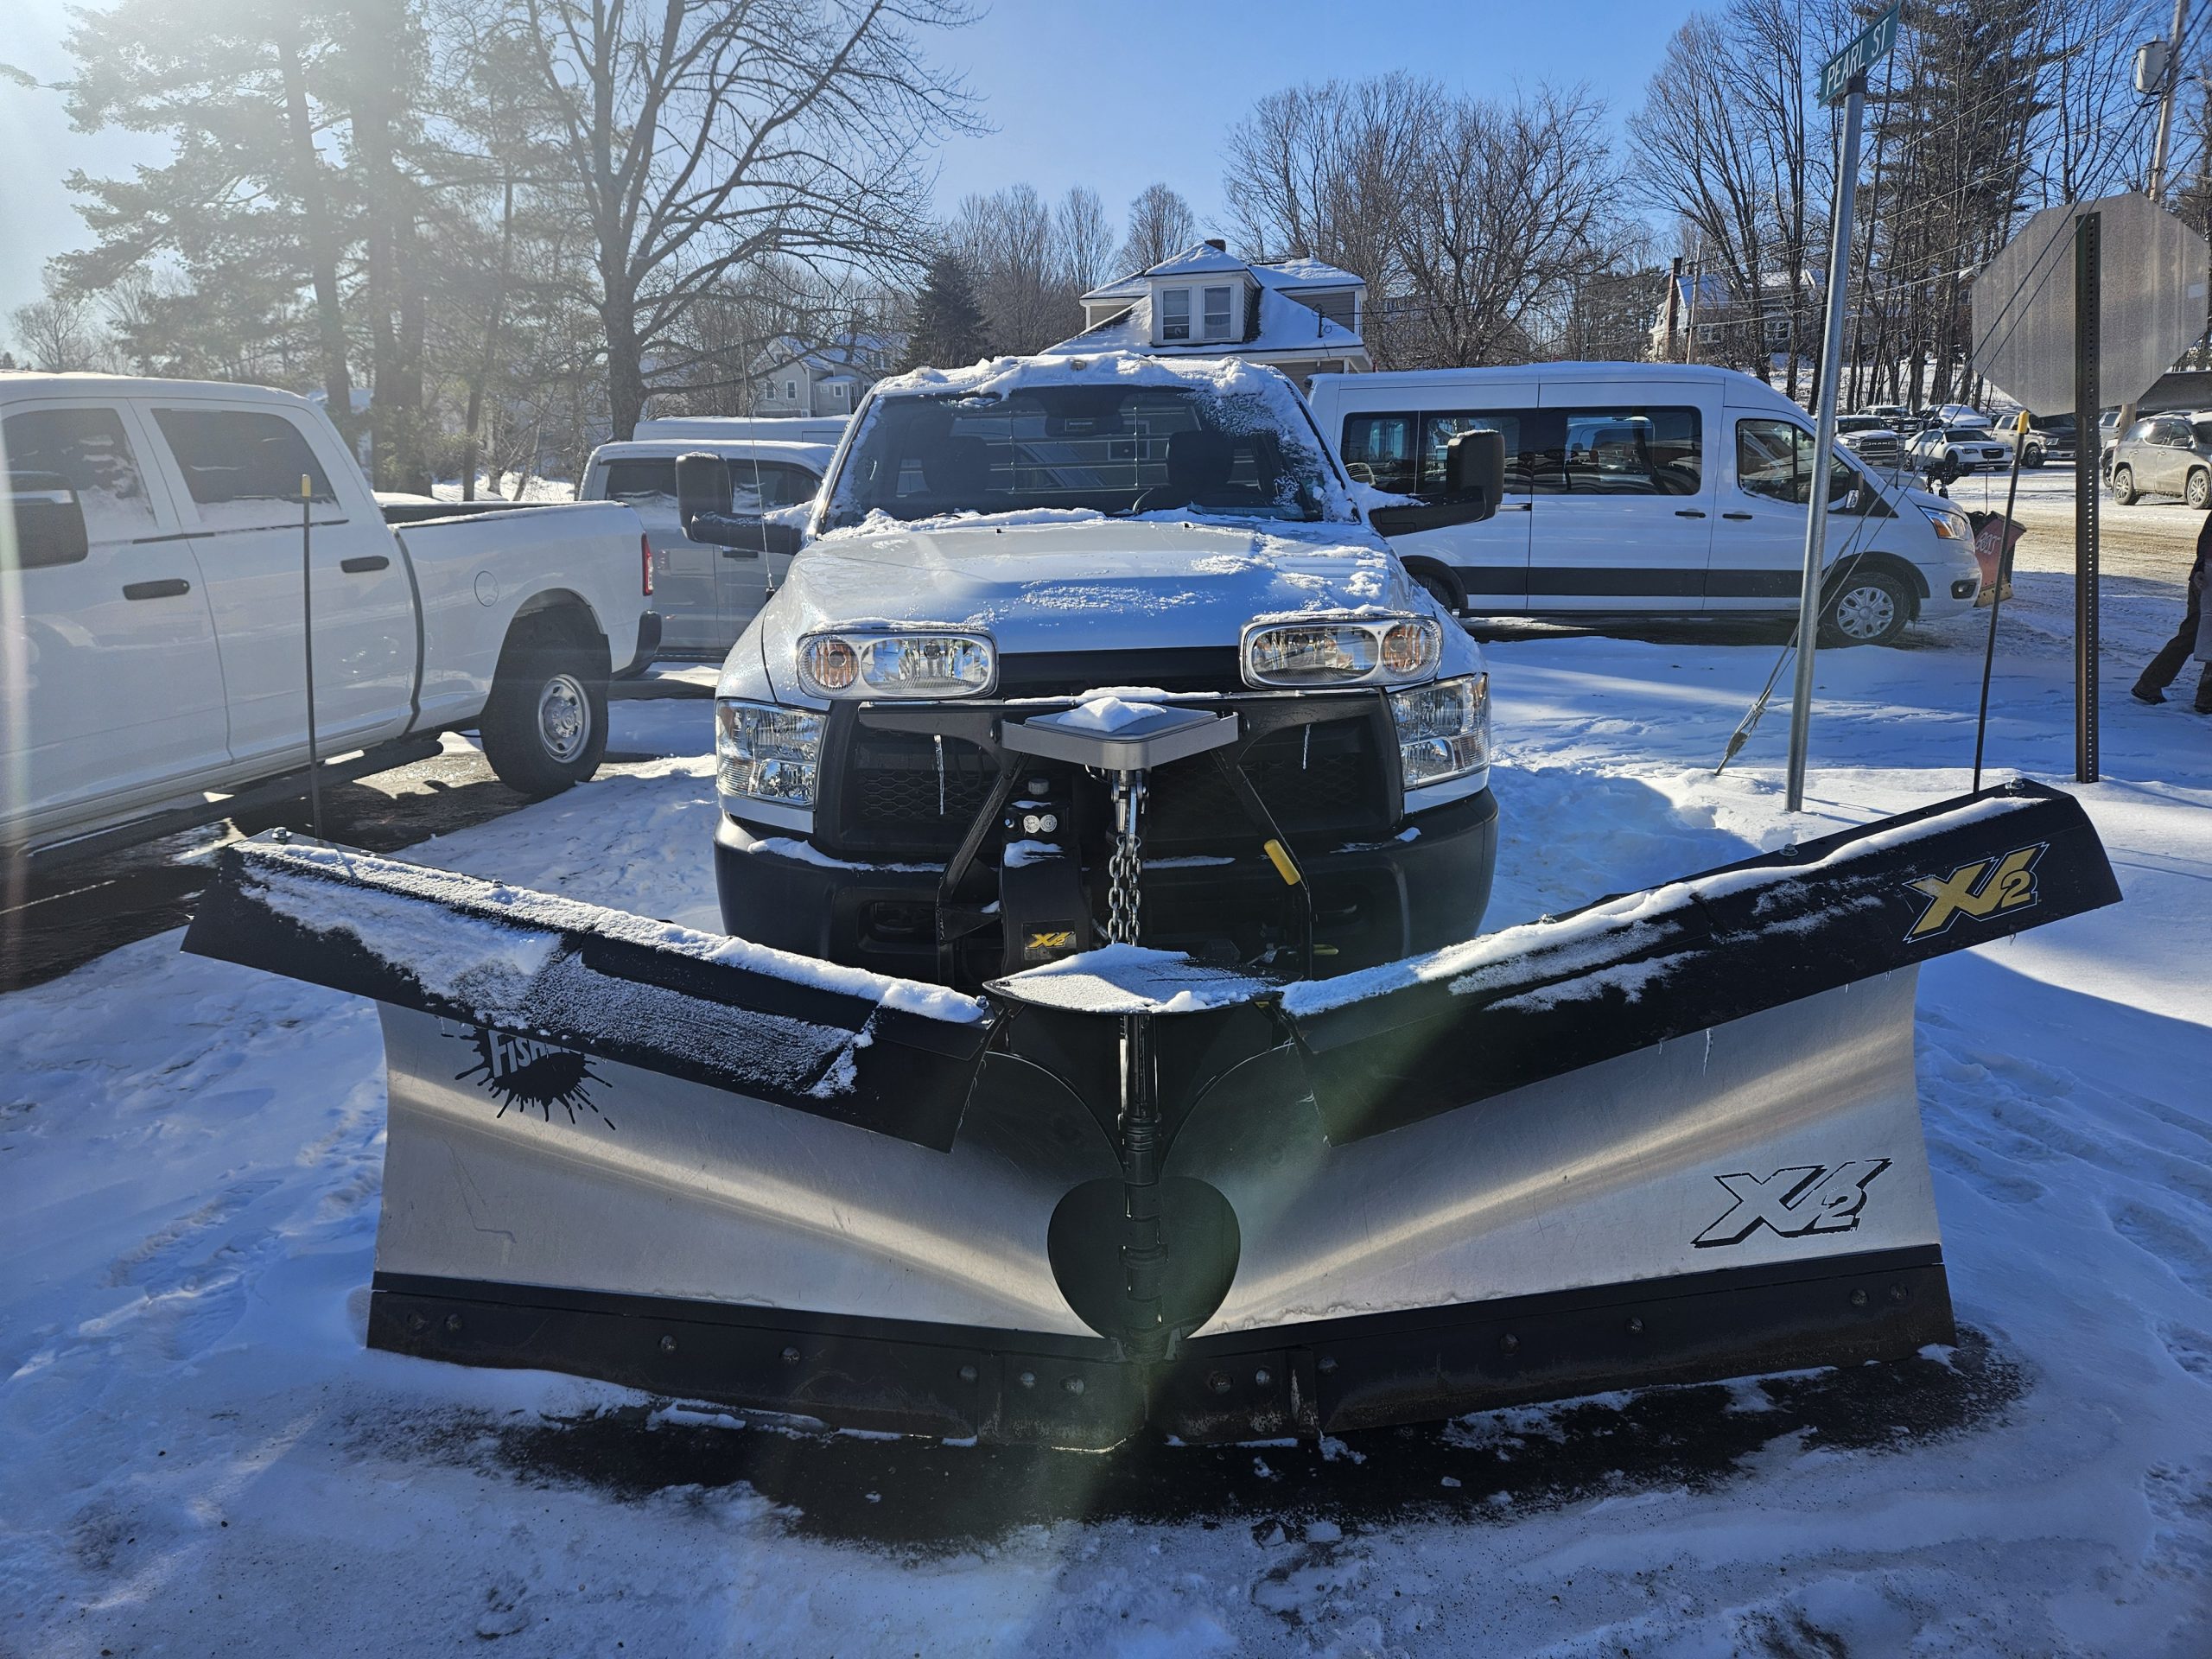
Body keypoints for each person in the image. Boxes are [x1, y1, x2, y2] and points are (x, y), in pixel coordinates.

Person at [2132, 512, 2212, 712]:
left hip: (2204, 577)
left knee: (2194, 635)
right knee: (2197, 635)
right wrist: (2202, 570)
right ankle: (2205, 698)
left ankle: (2150, 684)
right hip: (2207, 579)